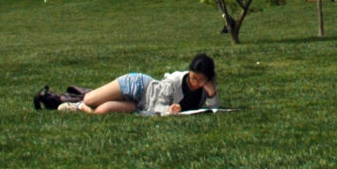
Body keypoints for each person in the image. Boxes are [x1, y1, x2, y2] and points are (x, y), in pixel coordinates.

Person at [56, 53, 219, 115]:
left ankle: (78, 107)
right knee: (90, 100)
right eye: (192, 77)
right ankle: (81, 99)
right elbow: (158, 105)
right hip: (137, 86)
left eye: (200, 79)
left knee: (101, 111)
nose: (195, 82)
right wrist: (169, 110)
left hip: (141, 105)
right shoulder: (175, 81)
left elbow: (215, 109)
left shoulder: (207, 86)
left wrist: (212, 93)